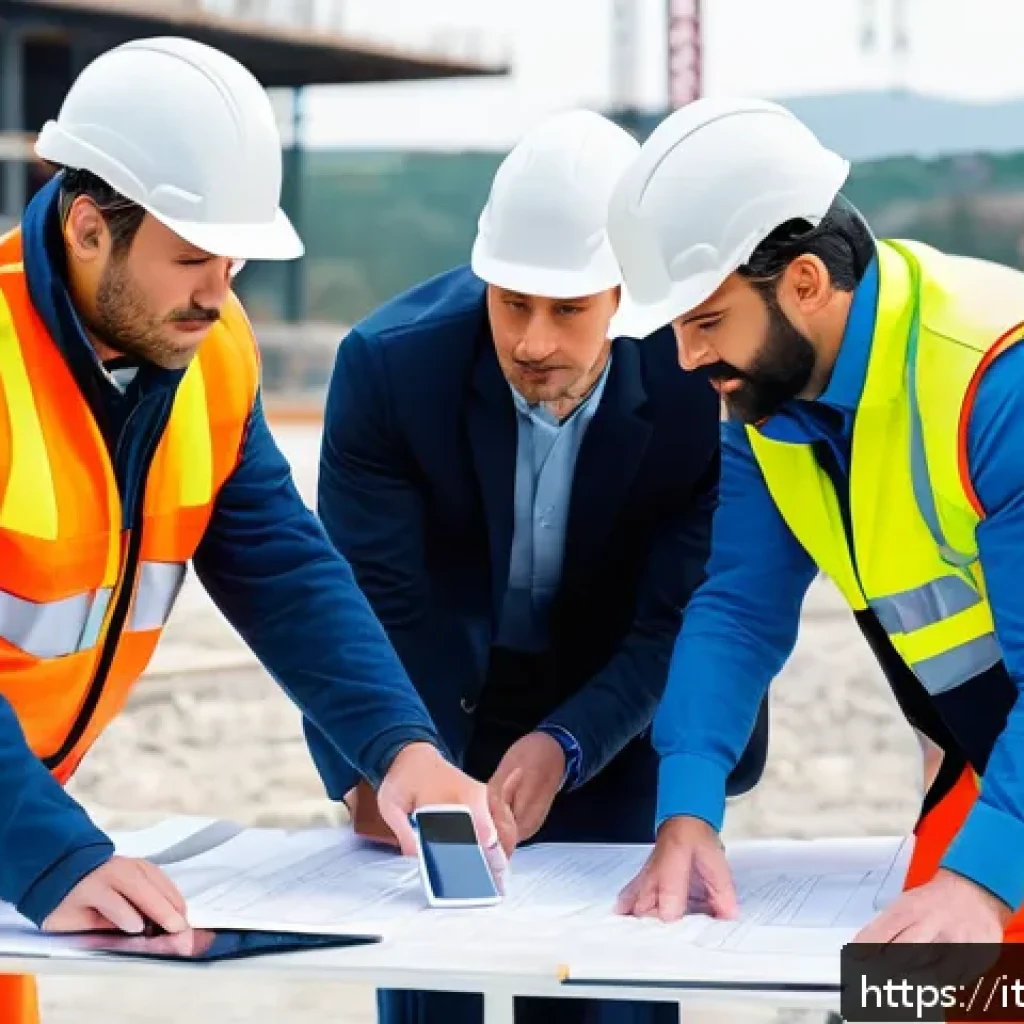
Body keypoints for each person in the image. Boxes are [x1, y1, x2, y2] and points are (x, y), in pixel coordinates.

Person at [0, 37, 507, 1024]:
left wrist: (399, 747)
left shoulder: (210, 357)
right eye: (191, 257)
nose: (218, 291)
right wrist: (50, 850)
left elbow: (283, 565)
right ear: (89, 226)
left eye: (234, 258)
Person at [312, 108, 771, 1024]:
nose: (532, 340)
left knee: (609, 996)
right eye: (511, 300)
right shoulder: (387, 370)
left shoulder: (702, 382)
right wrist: (377, 760)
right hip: (434, 707)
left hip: (622, 708)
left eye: (569, 310)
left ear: (626, 298)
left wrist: (569, 744)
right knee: (428, 987)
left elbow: (681, 618)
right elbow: (365, 605)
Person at [606, 96, 1024, 950]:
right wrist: (687, 810)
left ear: (804, 282)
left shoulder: (996, 384)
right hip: (994, 770)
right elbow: (738, 608)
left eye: (707, 321)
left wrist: (983, 880)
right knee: (894, 996)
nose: (687, 359)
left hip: (1006, 793)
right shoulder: (772, 406)